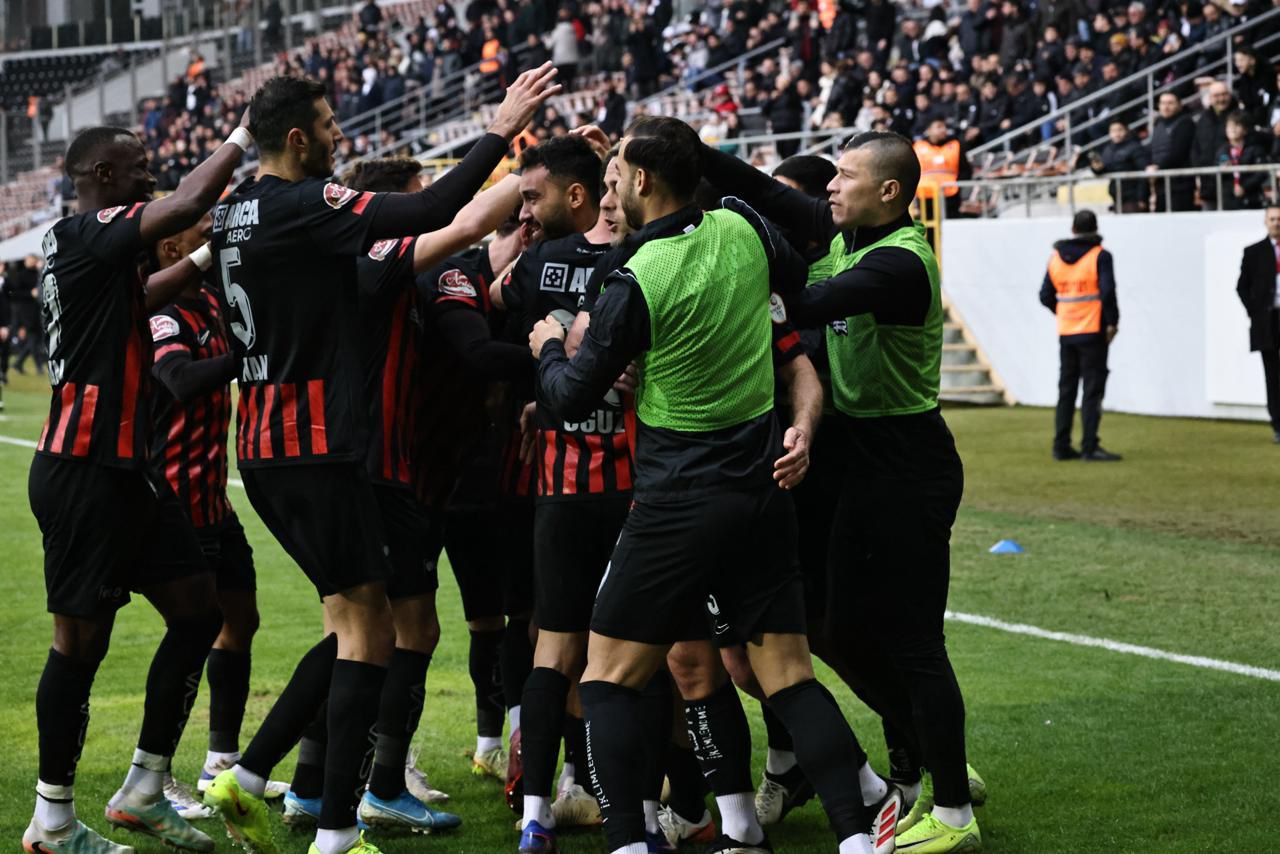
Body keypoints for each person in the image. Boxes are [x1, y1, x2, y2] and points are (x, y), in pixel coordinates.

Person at [199, 66, 559, 854]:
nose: (339, 135)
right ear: (298, 139)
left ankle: (260, 779)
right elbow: (441, 215)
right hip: (323, 447)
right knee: (372, 636)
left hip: (263, 448)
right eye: (328, 124)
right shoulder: (308, 208)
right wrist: (504, 133)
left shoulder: (232, 213)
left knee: (353, 627)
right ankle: (340, 823)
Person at [531, 116, 888, 854]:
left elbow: (568, 398)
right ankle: (857, 840)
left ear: (642, 181)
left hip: (676, 497)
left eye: (616, 180)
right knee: (789, 678)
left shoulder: (637, 280)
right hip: (760, 490)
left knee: (605, 679)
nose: (610, 194)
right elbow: (795, 286)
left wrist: (547, 348)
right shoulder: (742, 228)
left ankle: (630, 841)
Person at [698, 129, 980, 853]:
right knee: (840, 631)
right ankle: (936, 750)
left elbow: (808, 301)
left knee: (915, 642)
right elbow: (764, 189)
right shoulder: (849, 234)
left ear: (889, 191)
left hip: (908, 463)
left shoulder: (900, 262)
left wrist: (729, 282)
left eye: (846, 175)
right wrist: (683, 152)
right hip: (863, 462)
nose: (830, 186)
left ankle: (953, 811)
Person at [23, 115, 252, 854]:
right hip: (84, 471)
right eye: (139, 166)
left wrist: (215, 250)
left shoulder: (90, 254)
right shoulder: (86, 231)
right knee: (78, 645)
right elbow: (187, 202)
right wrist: (244, 133)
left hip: (128, 474)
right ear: (102, 177)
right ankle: (52, 821)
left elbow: (153, 289)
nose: (151, 176)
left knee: (198, 610)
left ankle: (145, 789)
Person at [492, 135, 630, 854]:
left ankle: (536, 813)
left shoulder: (538, 262)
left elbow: (488, 298)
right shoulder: (645, 259)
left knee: (553, 650)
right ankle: (649, 807)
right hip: (636, 488)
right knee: (642, 656)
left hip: (559, 484)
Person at [145, 215, 289, 821]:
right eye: (200, 230)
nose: (212, 235)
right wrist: (247, 355)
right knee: (190, 633)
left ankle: (221, 762)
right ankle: (153, 777)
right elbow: (178, 379)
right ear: (172, 247)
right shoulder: (160, 312)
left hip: (213, 500)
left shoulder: (209, 300)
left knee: (241, 620)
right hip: (174, 500)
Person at [1039, 209, 1121, 462]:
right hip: (1093, 331)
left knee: (1067, 390)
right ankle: (1089, 446)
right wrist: (1112, 322)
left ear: (1073, 229)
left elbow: (1045, 295)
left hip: (1067, 331)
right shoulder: (1100, 256)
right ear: (1095, 229)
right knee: (1092, 390)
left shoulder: (1056, 257)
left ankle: (1061, 446)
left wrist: (1064, 312)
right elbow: (1107, 292)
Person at [1234, 206, 1280, 443]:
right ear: (1265, 221)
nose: (1276, 223)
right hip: (1268, 321)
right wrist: (1255, 312)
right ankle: (1278, 424)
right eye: (1272, 219)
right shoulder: (1254, 252)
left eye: (1279, 219)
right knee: (1272, 375)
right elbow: (1242, 286)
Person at [913, 117, 972, 221]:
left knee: (950, 226)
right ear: (929, 130)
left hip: (950, 195)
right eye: (939, 127)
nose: (943, 129)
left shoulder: (955, 145)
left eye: (944, 127)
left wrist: (956, 186)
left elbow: (966, 170)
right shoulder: (918, 147)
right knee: (928, 227)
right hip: (925, 195)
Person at [1146, 92, 1196, 212]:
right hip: (1161, 183)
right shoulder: (1158, 123)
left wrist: (1158, 167)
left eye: (1170, 103)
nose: (1166, 107)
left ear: (1179, 105)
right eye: (1163, 103)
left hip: (1181, 184)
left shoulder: (1186, 123)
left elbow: (1178, 152)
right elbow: (1152, 148)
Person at [1086, 120, 1149, 212]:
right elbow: (1105, 169)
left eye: (1120, 130)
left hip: (1132, 198)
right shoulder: (1108, 149)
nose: (1116, 134)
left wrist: (1141, 198)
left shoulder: (1135, 147)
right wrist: (1096, 168)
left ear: (1126, 131)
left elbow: (1143, 174)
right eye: (1113, 131)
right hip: (1116, 197)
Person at [1215, 112, 1269, 211]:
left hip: (1252, 199)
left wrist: (1244, 187)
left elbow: (1262, 173)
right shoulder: (1222, 150)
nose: (1232, 129)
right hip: (1229, 201)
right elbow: (1215, 173)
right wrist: (1222, 170)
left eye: (1237, 125)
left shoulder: (1255, 149)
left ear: (1245, 130)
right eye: (1229, 126)